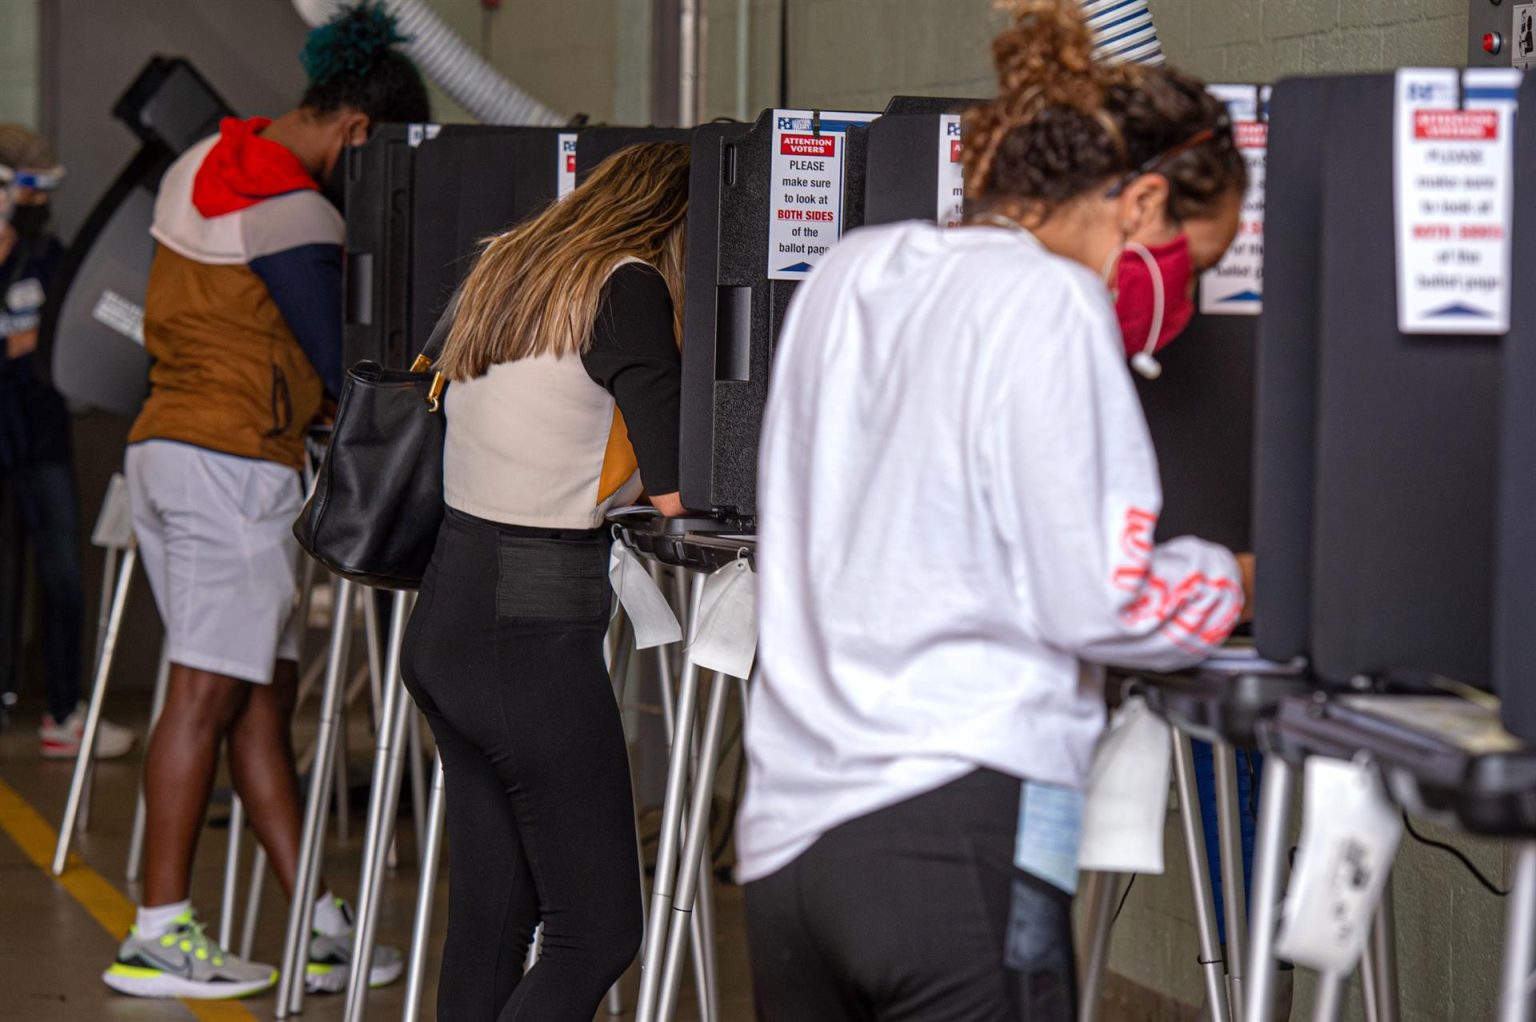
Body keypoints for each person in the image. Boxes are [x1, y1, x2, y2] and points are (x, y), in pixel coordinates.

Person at [736, 2, 1253, 1019]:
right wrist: (1225, 577)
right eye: (1195, 261)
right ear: (1142, 201)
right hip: (955, 834)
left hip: (788, 845)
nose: (1183, 294)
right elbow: (1098, 601)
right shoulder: (1052, 302)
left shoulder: (851, 272)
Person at [102, 4, 428, 1000]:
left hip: (172, 448)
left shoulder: (205, 159)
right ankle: (159, 928)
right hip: (229, 463)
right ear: (359, 130)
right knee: (207, 691)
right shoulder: (296, 212)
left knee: (257, 700)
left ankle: (319, 923)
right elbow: (341, 361)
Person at [402, 141, 690, 1022]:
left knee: (491, 921)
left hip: (450, 612)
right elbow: (679, 487)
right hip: (528, 632)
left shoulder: (511, 263)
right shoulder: (628, 284)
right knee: (596, 932)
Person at [0, 126, 135, 759]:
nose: (35, 208)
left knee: (62, 580)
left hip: (44, 445)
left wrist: (29, 348)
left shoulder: (50, 258)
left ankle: (63, 713)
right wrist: (20, 347)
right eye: (28, 193)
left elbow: (64, 343)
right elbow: (33, 344)